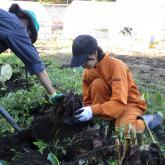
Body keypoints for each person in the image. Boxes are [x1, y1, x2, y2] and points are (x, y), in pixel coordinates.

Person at [70, 34, 163, 133]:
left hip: (128, 103)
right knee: (97, 83)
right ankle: (109, 118)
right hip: (111, 104)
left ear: (94, 54)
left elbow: (119, 102)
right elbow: (87, 99)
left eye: (84, 61)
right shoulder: (88, 72)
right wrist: (87, 111)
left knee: (124, 130)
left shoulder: (116, 66)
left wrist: (93, 110)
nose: (83, 66)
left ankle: (150, 119)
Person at [0, 4, 64, 105]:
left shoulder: (5, 18)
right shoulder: (18, 27)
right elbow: (36, 64)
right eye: (29, 34)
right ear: (26, 21)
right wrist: (53, 94)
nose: (27, 38)